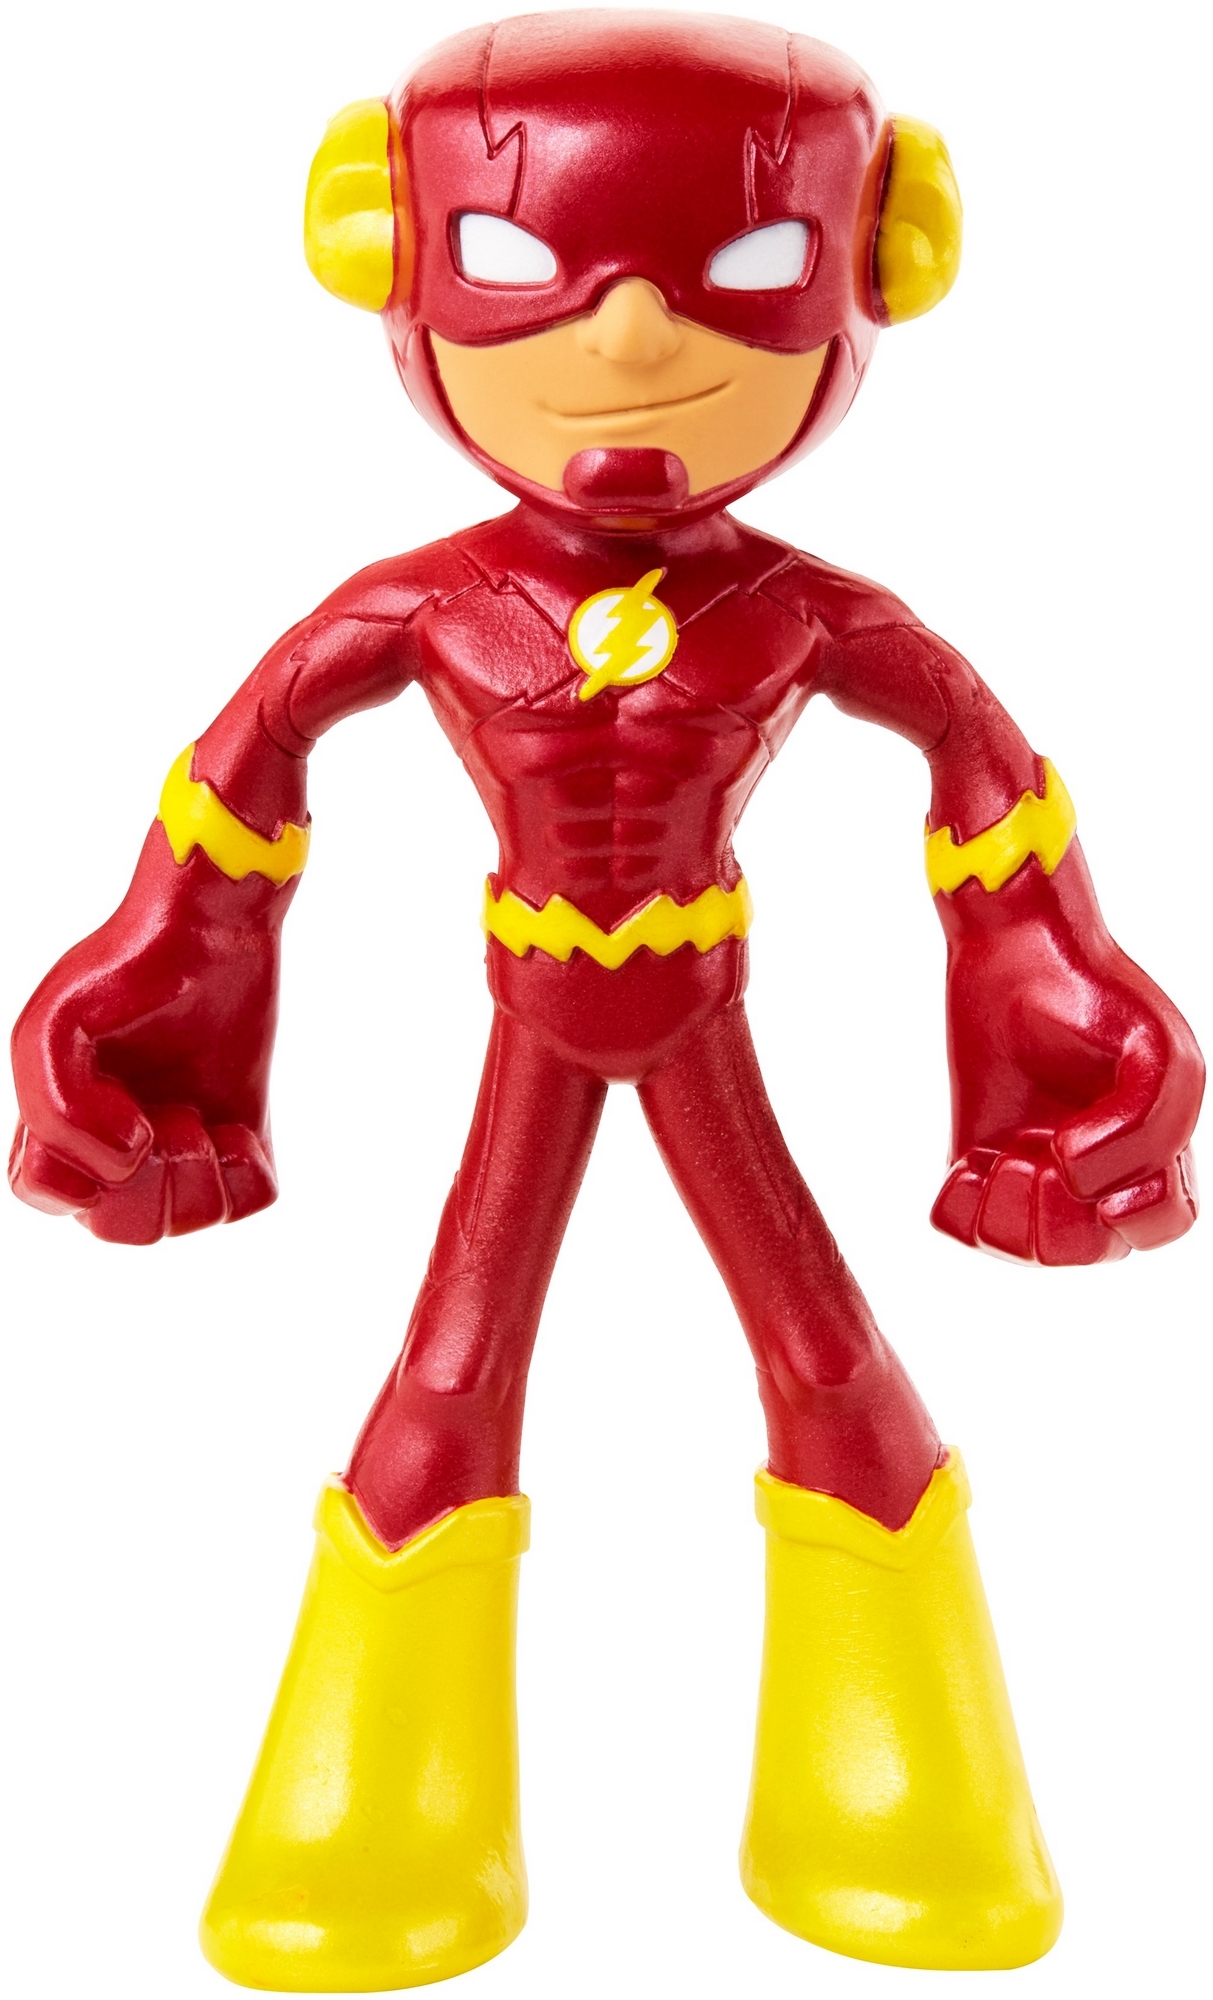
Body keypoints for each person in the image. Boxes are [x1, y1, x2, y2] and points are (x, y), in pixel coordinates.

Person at [9, 12, 1203, 1989]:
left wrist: (1063, 1022)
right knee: (461, 1359)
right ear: (389, 249)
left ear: (875, 263)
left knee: (807, 1345)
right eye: (520, 265)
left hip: (693, 1001)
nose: (633, 342)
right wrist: (148, 1004)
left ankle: (895, 1797)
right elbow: (233, 802)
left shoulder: (806, 615)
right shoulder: (419, 609)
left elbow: (990, 803)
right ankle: (377, 1827)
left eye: (746, 272)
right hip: (537, 1009)